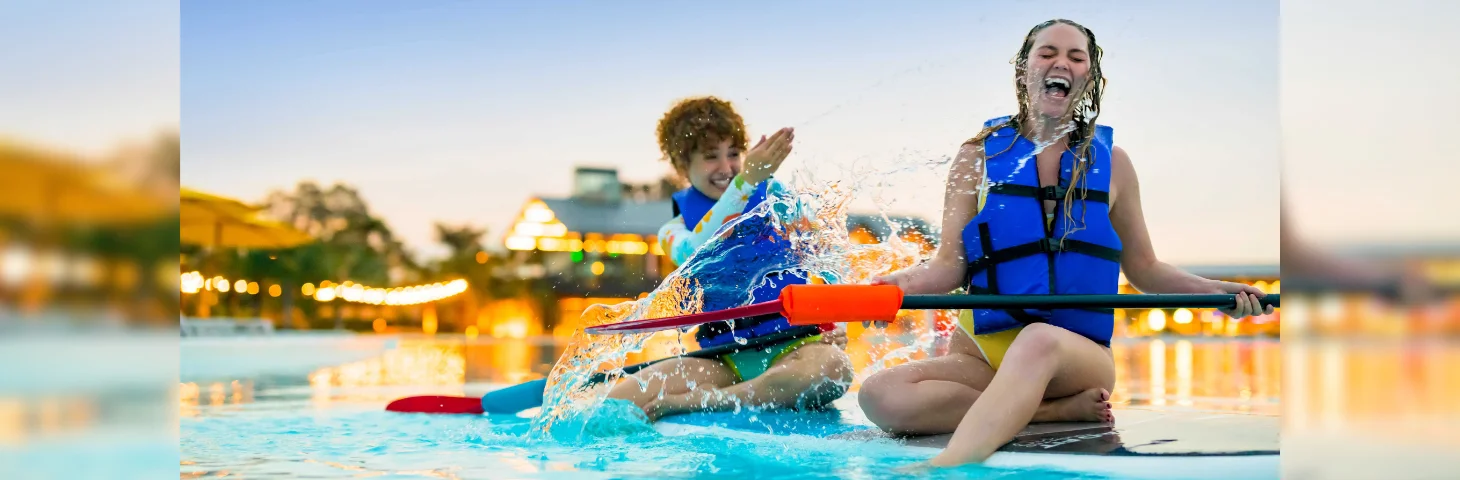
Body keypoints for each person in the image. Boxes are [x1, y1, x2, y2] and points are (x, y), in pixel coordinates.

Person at [855, 19, 1275, 467]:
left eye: (1077, 58)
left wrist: (1221, 292)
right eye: (1047, 52)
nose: (1062, 63)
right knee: (880, 395)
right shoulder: (976, 155)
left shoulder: (1113, 162)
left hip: (1075, 357)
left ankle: (949, 465)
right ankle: (1047, 413)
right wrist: (890, 289)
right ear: (1024, 68)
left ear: (1089, 78)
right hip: (982, 352)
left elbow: (1146, 269)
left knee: (1038, 340)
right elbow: (947, 268)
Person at [605, 96, 854, 421]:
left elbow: (827, 253)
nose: (726, 167)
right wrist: (745, 181)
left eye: (734, 154)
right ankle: (731, 394)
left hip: (797, 346)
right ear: (683, 167)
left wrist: (839, 322)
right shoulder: (674, 230)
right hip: (724, 359)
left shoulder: (777, 204)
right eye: (711, 157)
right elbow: (697, 249)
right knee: (614, 404)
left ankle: (704, 401)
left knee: (834, 369)